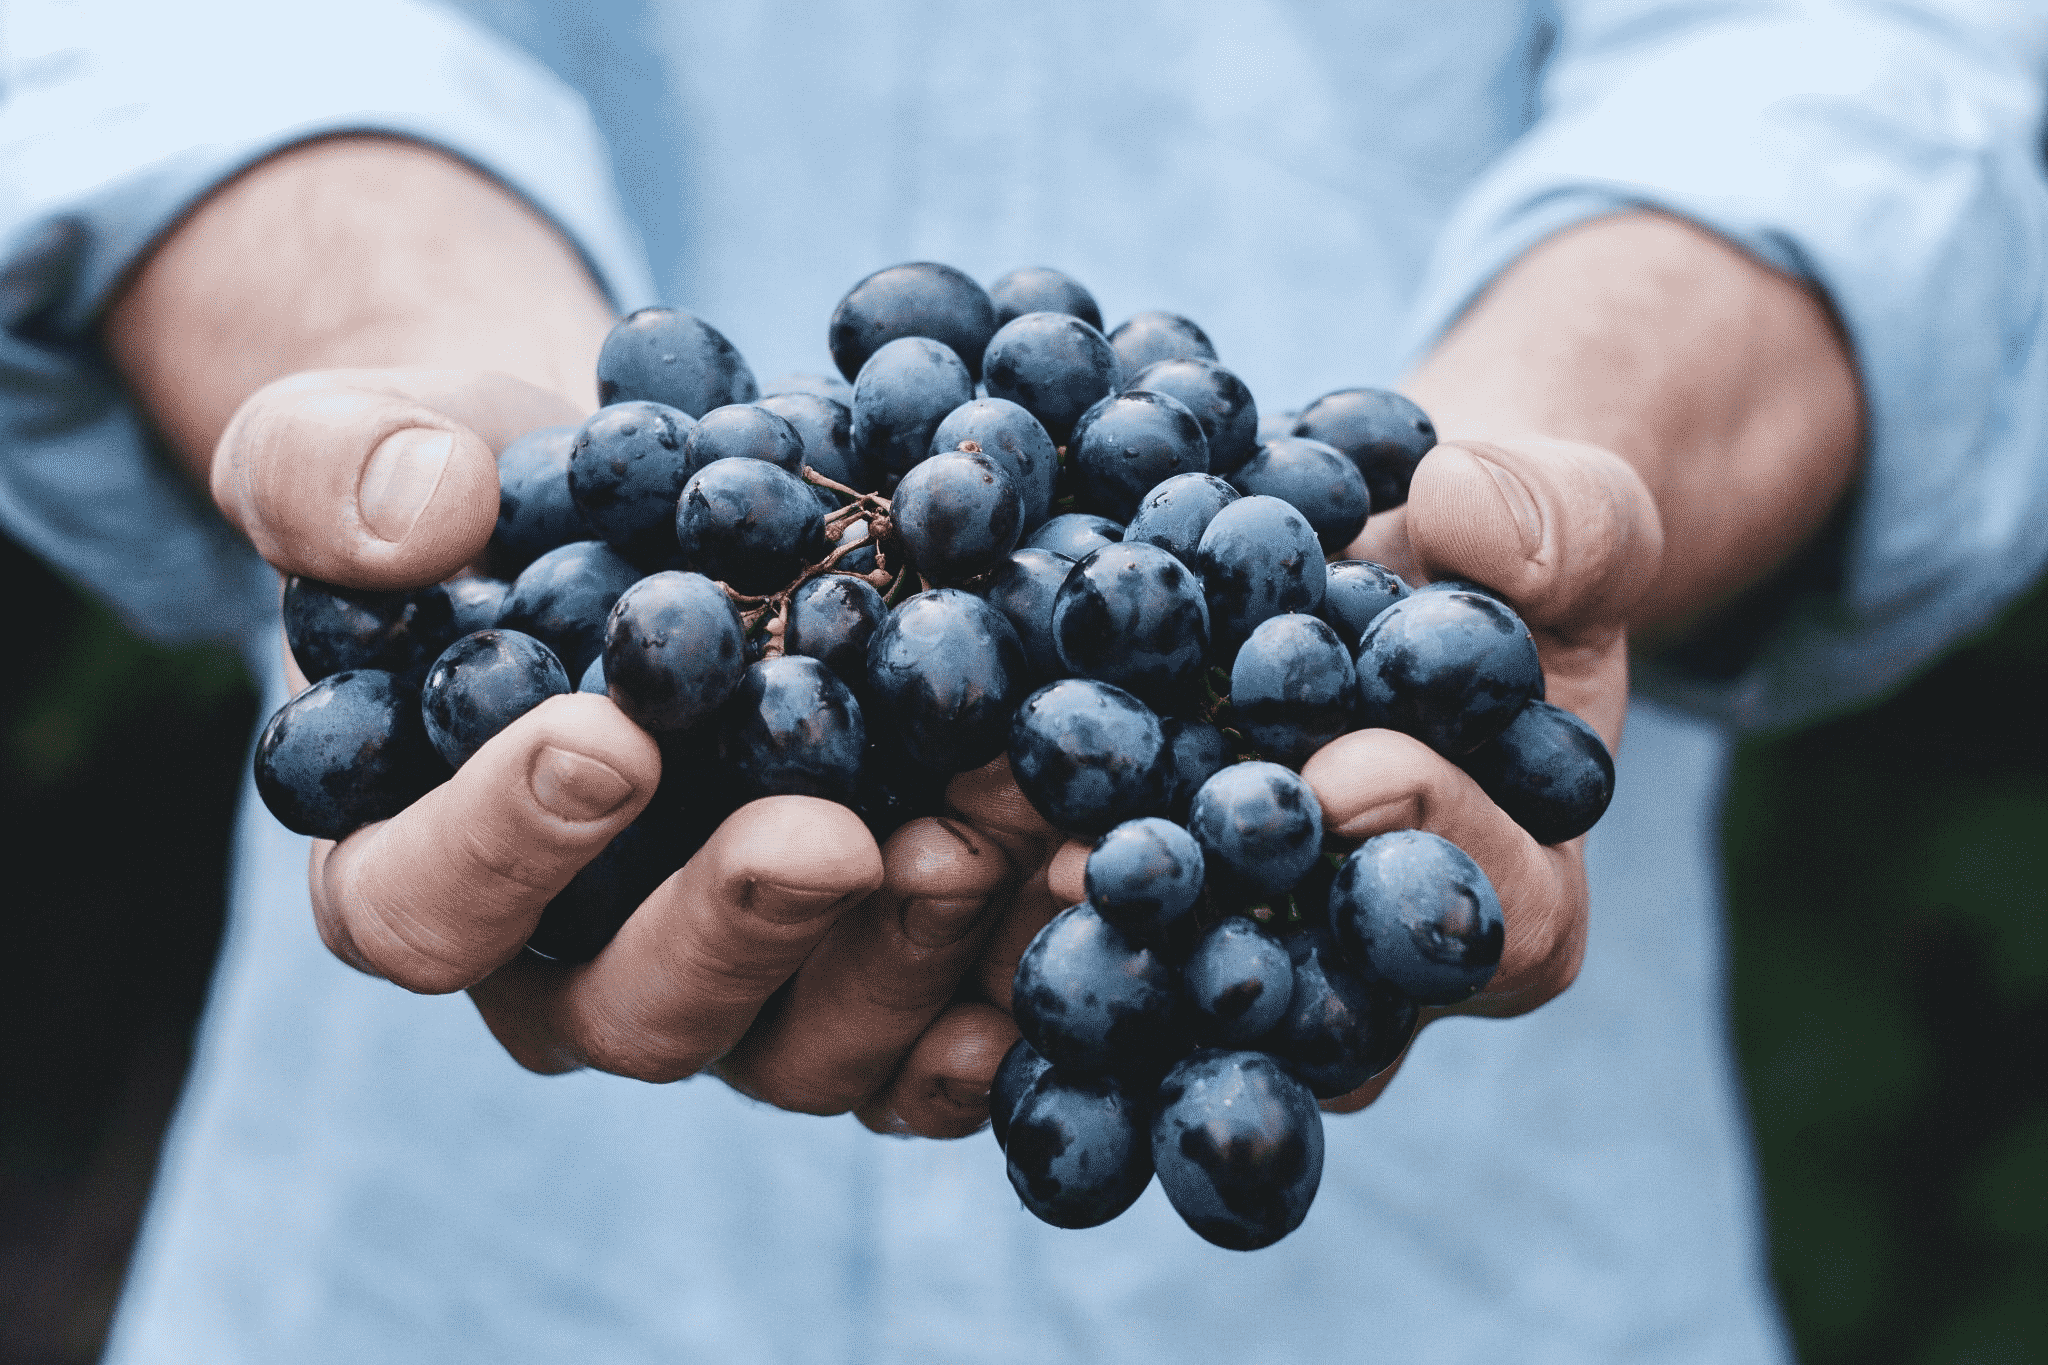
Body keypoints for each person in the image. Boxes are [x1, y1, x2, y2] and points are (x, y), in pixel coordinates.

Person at [3, 0, 2045, 1359]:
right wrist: (424, 403)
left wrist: (1542, 462)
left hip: (1455, 1267)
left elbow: (1867, 66)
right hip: (460, 1268)